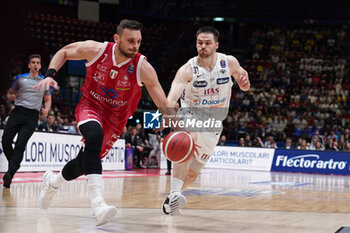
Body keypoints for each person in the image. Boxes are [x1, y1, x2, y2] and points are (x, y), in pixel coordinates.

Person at [34, 19, 174, 226]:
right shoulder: (96, 50)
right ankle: (98, 205)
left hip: (116, 120)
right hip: (90, 105)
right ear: (116, 39)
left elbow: (162, 101)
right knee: (93, 136)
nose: (135, 46)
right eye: (130, 41)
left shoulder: (143, 68)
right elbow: (64, 51)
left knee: (83, 164)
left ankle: (53, 183)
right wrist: (49, 75)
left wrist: (171, 121)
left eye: (138, 42)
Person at [161, 26, 250, 215]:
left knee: (192, 174)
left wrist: (244, 82)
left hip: (214, 124)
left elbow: (243, 76)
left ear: (216, 45)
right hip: (191, 114)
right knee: (187, 138)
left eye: (207, 43)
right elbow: (171, 98)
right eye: (200, 43)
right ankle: (176, 192)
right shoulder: (187, 69)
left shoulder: (229, 62)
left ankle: (172, 199)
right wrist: (167, 112)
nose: (203, 46)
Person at [1, 54, 51, 188]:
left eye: (38, 63)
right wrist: (11, 96)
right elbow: (9, 94)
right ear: (29, 65)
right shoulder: (20, 79)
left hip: (31, 117)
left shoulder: (44, 82)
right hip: (17, 112)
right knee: (5, 141)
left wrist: (46, 109)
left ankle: (10, 174)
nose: (35, 65)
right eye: (33, 62)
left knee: (20, 145)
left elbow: (47, 99)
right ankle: (15, 163)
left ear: (40, 66)